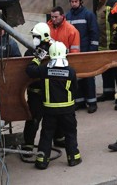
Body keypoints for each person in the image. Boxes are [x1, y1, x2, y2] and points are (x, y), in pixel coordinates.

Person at [26, 41, 81, 169]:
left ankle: (42, 160)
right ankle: (73, 158)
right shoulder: (71, 71)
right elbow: (74, 89)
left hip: (49, 111)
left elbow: (30, 70)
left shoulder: (44, 69)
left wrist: (37, 58)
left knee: (46, 135)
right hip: (67, 111)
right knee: (70, 133)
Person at [66, 0, 99, 113]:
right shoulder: (67, 16)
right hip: (73, 54)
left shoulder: (88, 14)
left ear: (80, 1)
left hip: (86, 52)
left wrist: (92, 50)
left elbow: (94, 33)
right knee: (76, 78)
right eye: (72, 1)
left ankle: (92, 103)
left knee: (89, 78)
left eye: (75, 1)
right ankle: (79, 102)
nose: (73, 3)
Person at [88, 0, 117, 104]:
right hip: (103, 45)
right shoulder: (101, 4)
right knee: (106, 71)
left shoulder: (113, 3)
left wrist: (115, 42)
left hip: (113, 45)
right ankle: (108, 93)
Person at [22, 22, 52, 156]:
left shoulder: (55, 48)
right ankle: (28, 145)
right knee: (33, 120)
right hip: (35, 93)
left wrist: (49, 47)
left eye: (36, 36)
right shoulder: (30, 52)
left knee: (53, 119)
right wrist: (40, 54)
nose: (34, 39)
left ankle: (58, 139)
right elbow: (29, 69)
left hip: (51, 92)